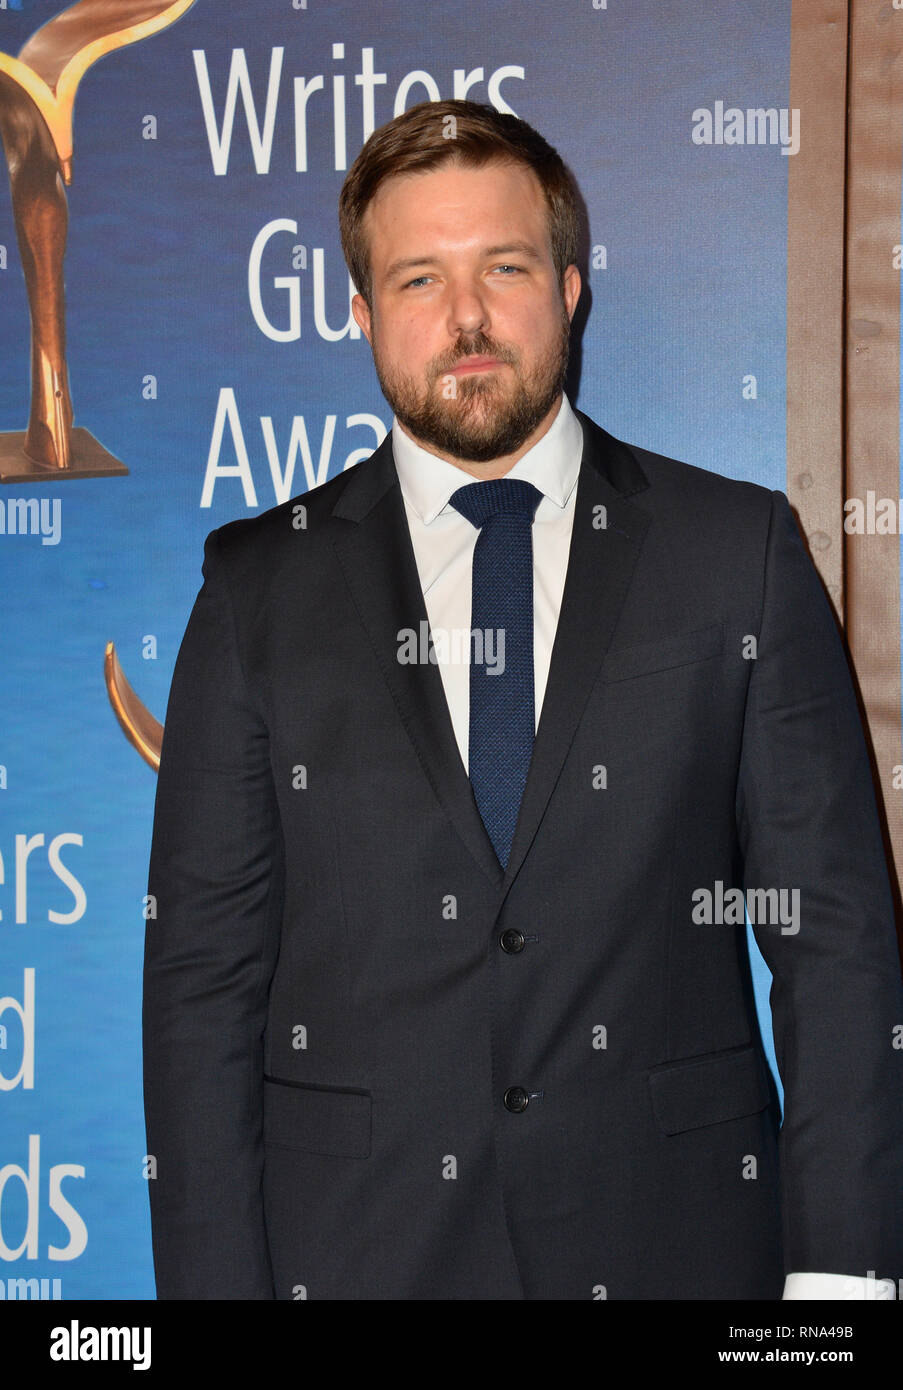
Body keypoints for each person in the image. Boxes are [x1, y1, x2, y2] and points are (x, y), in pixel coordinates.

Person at [143, 98, 903, 1300]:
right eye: (417, 280)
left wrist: (846, 1284)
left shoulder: (736, 553)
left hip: (682, 1253)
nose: (467, 320)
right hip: (356, 1258)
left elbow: (840, 946)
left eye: (502, 267)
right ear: (357, 314)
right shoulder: (257, 591)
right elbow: (201, 994)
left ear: (568, 284)